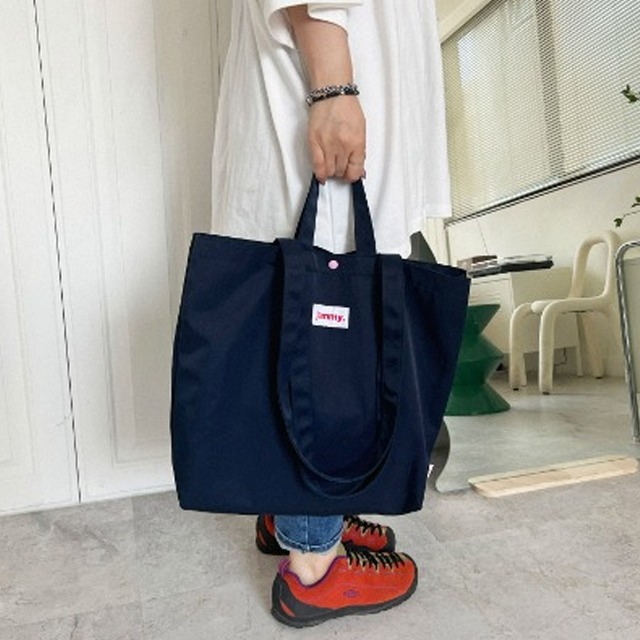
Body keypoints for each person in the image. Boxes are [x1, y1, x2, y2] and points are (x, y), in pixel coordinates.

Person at [210, 0, 451, 628]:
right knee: (322, 341)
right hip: (321, 82)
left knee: (299, 325)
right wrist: (334, 88)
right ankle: (315, 565)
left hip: (323, 78)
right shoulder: (331, 87)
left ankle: (292, 509)